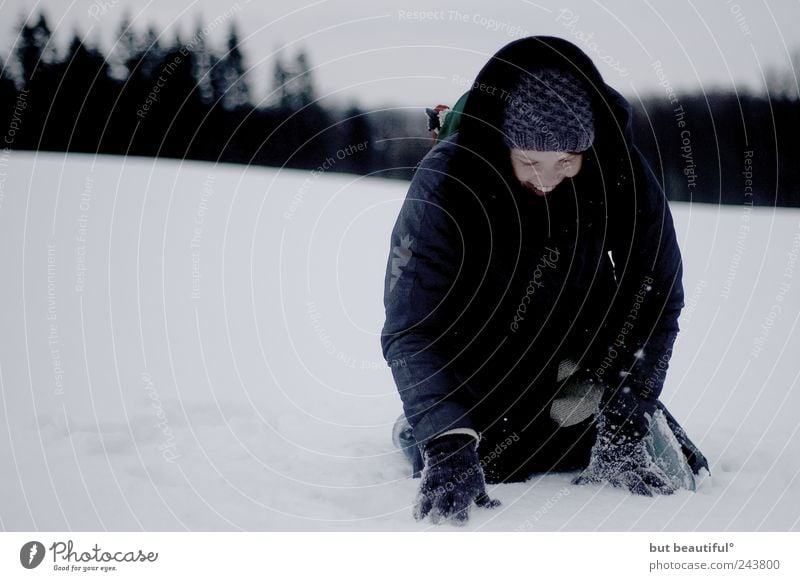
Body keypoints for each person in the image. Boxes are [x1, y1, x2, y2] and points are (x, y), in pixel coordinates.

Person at [380, 36, 709, 526]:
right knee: (495, 462)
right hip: (480, 350)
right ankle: (428, 426)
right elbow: (411, 326)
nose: (549, 178)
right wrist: (447, 439)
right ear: (503, 142)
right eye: (530, 161)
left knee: (672, 472)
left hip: (580, 344)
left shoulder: (619, 168)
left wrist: (626, 419)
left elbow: (657, 298)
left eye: (566, 162)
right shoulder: (448, 178)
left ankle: (610, 412)